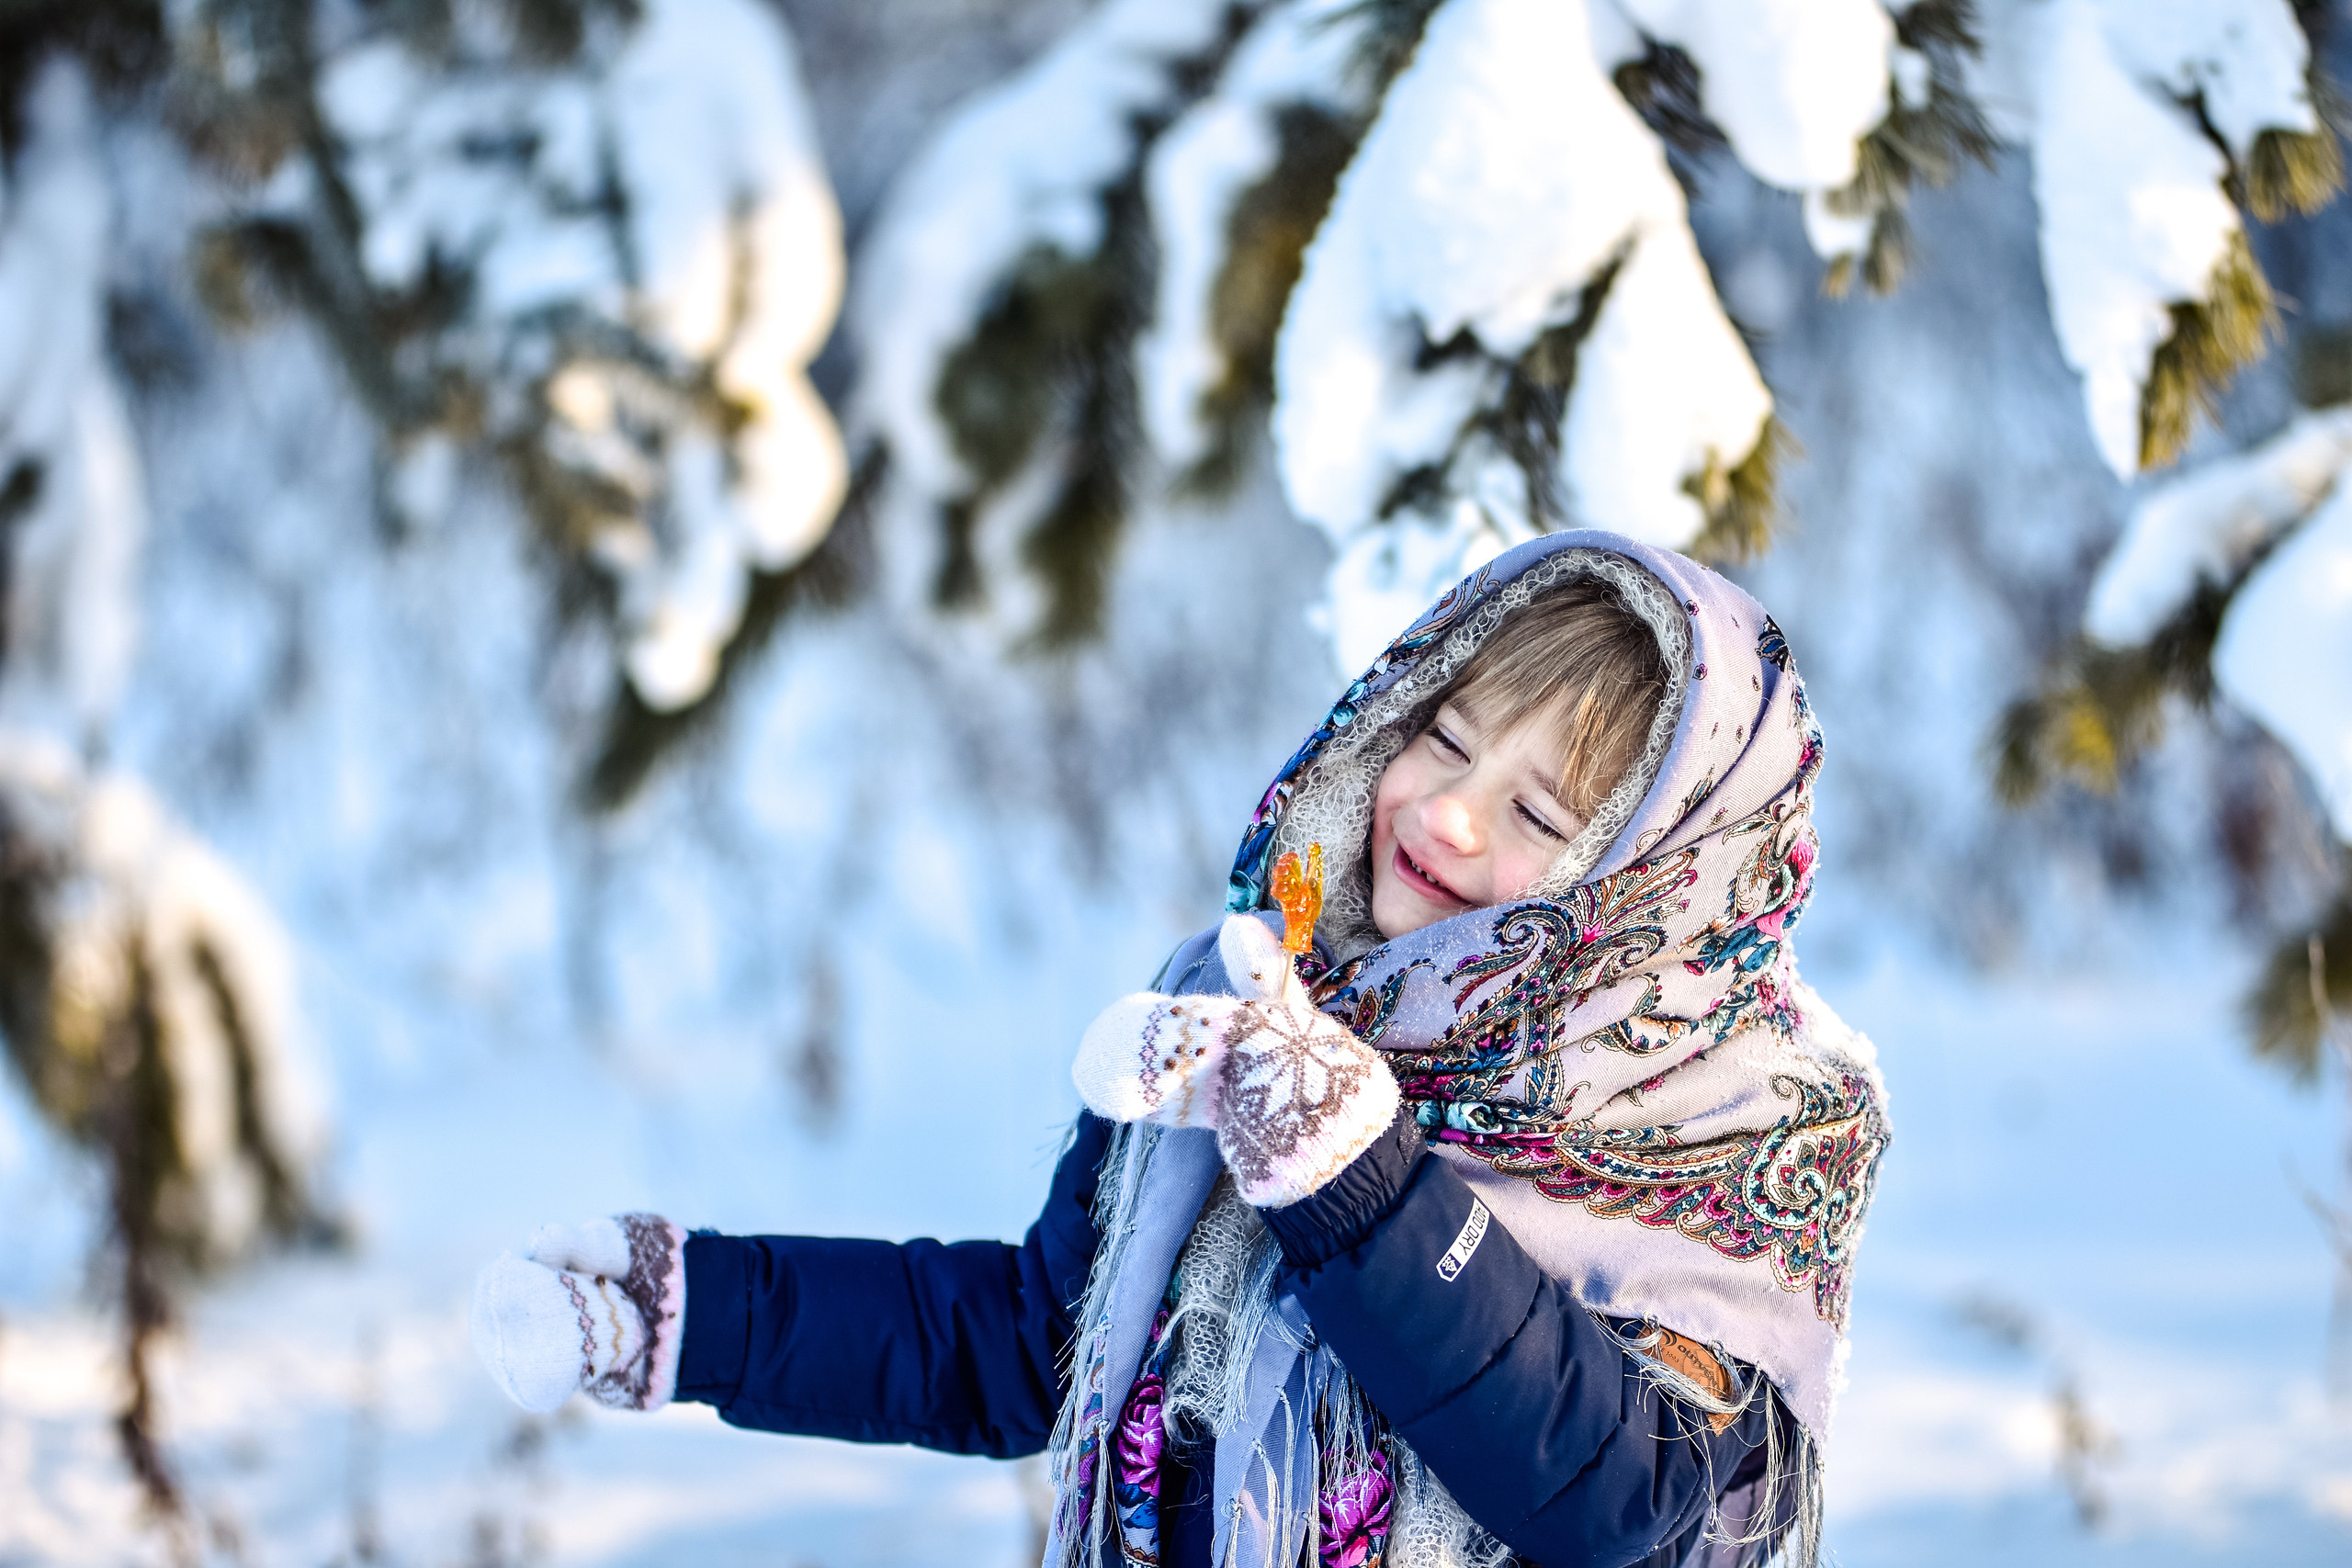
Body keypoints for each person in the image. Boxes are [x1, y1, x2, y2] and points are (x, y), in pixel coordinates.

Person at [469, 531, 1889, 1568]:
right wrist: (699, 1314)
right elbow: (1032, 1347)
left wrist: (1363, 1183)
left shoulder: (1727, 1141)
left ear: (1662, 880)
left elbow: (1632, 1511)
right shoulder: (1257, 1011)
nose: (1448, 817)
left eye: (1539, 817)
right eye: (1445, 737)